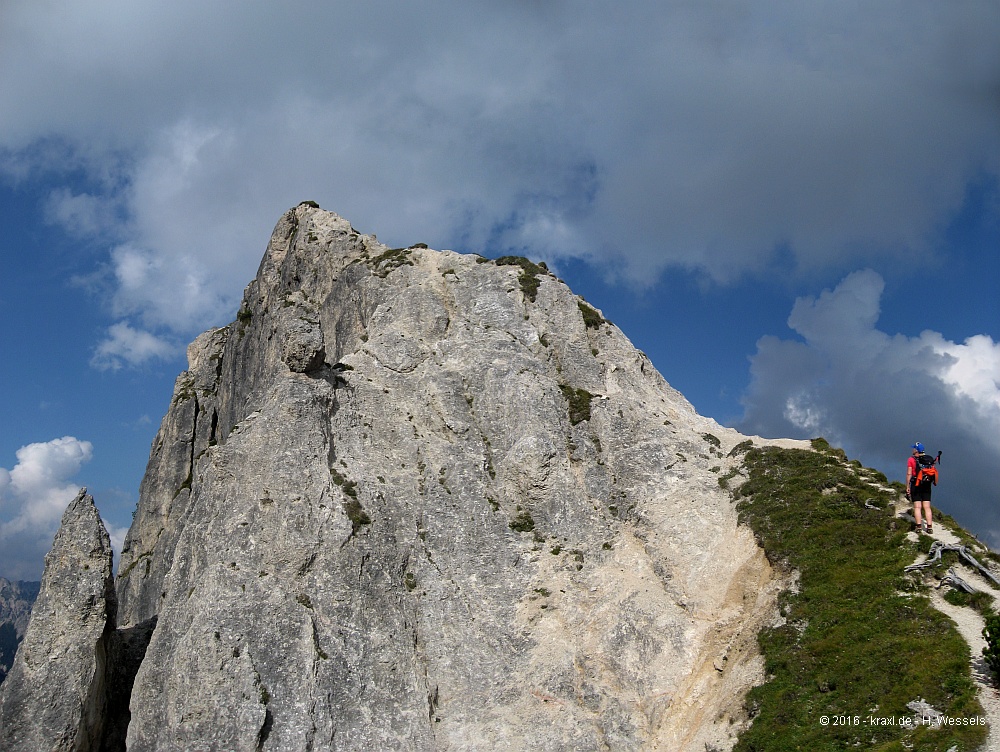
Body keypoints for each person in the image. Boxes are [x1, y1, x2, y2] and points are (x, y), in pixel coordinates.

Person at [906, 442, 933, 534]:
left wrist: (907, 486)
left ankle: (919, 527)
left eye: (914, 448)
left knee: (917, 507)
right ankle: (929, 527)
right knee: (927, 507)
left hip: (916, 484)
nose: (912, 449)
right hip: (927, 485)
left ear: (916, 450)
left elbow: (909, 473)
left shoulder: (911, 460)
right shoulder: (928, 459)